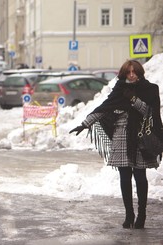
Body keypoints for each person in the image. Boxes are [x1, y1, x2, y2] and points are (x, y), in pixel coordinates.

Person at [69, 60, 163, 229]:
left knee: (140, 176)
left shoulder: (150, 89)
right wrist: (85, 124)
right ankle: (129, 214)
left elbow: (149, 112)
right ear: (124, 74)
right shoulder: (119, 90)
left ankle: (141, 214)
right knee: (124, 177)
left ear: (140, 73)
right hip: (120, 137)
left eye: (135, 72)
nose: (132, 75)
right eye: (129, 72)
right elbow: (104, 108)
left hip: (140, 137)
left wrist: (134, 99)